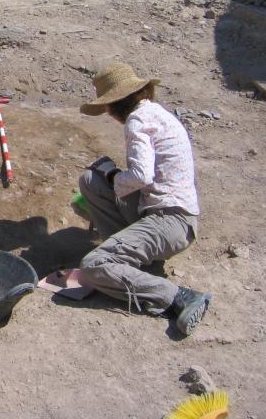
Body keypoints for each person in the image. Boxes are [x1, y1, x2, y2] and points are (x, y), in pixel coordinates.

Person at [77, 62, 211, 336]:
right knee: (91, 181)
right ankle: (128, 255)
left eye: (107, 108)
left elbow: (141, 175)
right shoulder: (155, 113)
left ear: (116, 104)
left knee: (92, 266)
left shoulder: (137, 120)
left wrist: (114, 176)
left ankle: (179, 297)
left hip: (170, 220)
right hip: (171, 214)